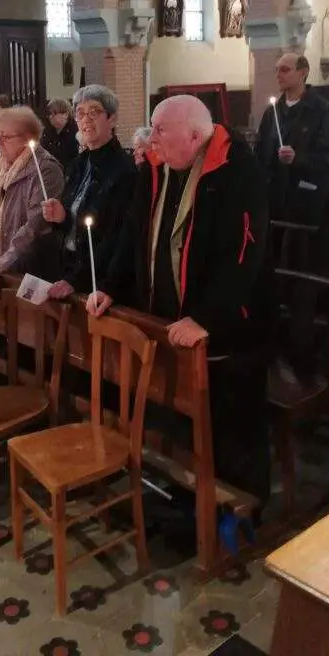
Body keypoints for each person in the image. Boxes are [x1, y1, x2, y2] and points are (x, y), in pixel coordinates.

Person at [87, 95, 272, 500]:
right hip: (167, 319)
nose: (151, 138)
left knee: (231, 425)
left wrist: (206, 317)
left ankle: (239, 512)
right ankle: (184, 500)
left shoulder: (238, 170)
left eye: (160, 130)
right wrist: (110, 286)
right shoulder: (156, 168)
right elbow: (133, 233)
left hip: (229, 330)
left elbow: (244, 253)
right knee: (179, 419)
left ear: (194, 135)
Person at [40, 86, 135, 299]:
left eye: (94, 112)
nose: (85, 119)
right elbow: (74, 222)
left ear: (112, 118)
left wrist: (77, 280)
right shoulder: (78, 165)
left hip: (98, 280)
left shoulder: (124, 170)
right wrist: (61, 216)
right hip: (69, 267)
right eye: (80, 113)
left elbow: (115, 236)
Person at [0, 106, 64, 282]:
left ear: (28, 138)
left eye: (6, 137)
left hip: (27, 270)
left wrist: (2, 263)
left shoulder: (46, 169)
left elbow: (34, 226)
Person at [255, 53, 329, 226]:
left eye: (285, 70)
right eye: (276, 70)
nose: (278, 75)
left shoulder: (322, 110)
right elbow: (260, 155)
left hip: (307, 204)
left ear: (303, 73)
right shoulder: (272, 112)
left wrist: (298, 158)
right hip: (275, 204)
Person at [40, 98, 79, 172]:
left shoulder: (75, 132)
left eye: (54, 113)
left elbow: (75, 158)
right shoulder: (47, 131)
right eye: (50, 114)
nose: (51, 117)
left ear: (66, 114)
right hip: (50, 170)